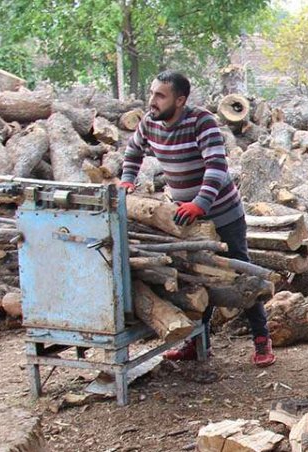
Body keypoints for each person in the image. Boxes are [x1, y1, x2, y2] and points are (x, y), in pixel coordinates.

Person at [118, 71, 275, 368]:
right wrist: (127, 180)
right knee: (194, 275)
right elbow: (133, 151)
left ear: (180, 100)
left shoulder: (202, 122)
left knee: (242, 272)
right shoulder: (150, 122)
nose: (153, 101)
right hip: (184, 216)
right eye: (152, 93)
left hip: (223, 213)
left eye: (160, 95)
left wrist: (200, 204)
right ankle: (197, 342)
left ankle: (261, 338)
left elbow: (217, 168)